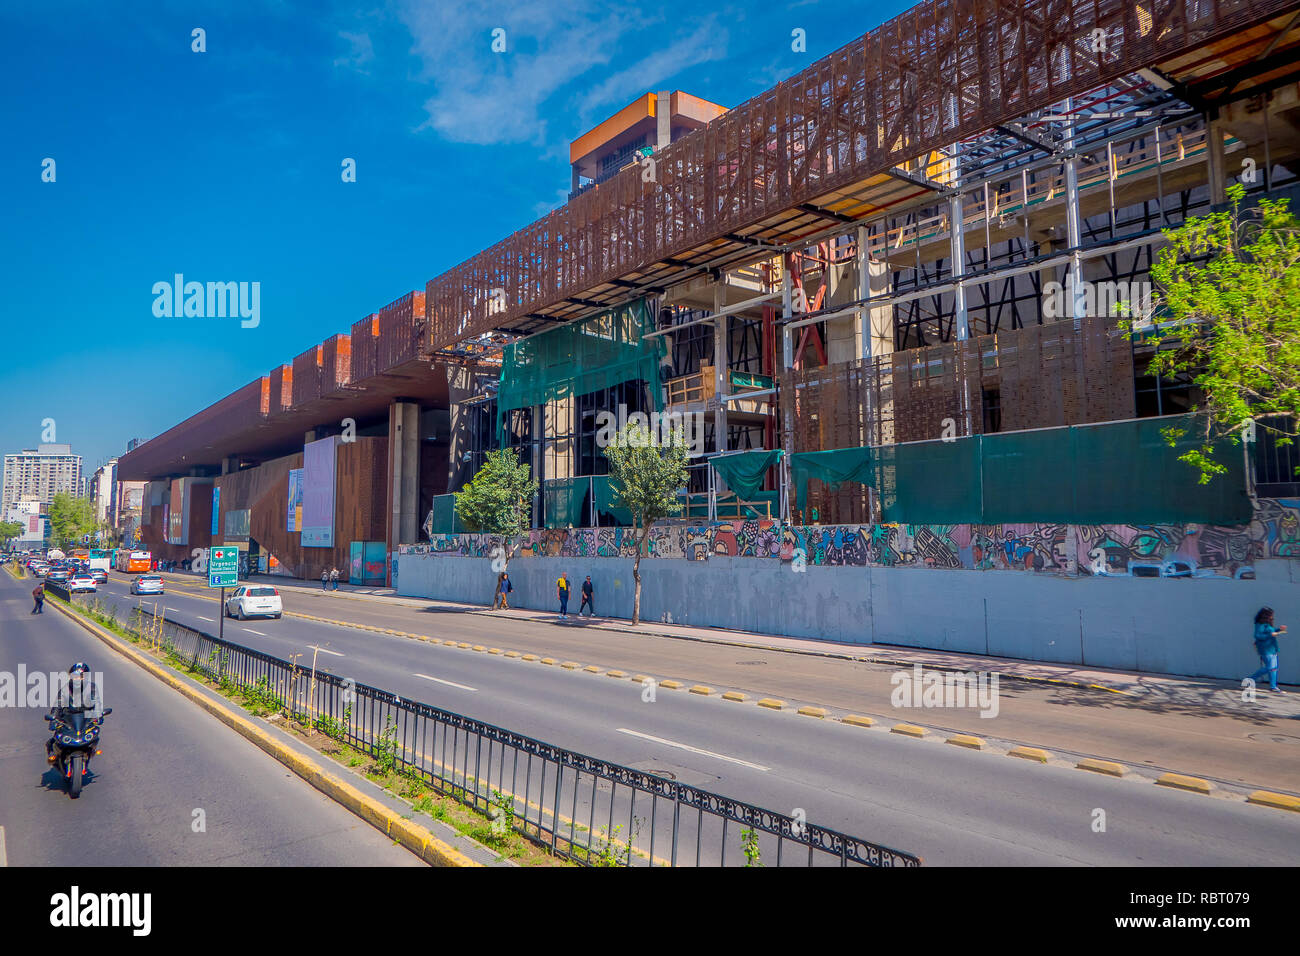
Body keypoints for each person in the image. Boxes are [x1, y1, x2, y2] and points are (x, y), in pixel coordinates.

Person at [46, 662, 103, 764]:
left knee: (94, 734)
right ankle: (54, 756)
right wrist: (53, 719)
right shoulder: (65, 689)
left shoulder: (92, 688)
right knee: (52, 741)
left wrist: (98, 715)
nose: (77, 679)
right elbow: (57, 705)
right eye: (75, 676)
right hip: (68, 718)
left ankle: (90, 751)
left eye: (80, 676)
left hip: (85, 718)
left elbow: (97, 702)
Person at [1248, 606, 1287, 693]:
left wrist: (1279, 629)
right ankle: (1250, 679)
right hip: (1265, 649)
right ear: (1265, 615)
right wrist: (1271, 635)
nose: (1272, 617)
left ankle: (1273, 687)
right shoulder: (1260, 625)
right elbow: (1258, 636)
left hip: (1272, 648)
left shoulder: (1267, 624)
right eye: (1271, 615)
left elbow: (1271, 631)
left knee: (1274, 668)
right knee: (1270, 667)